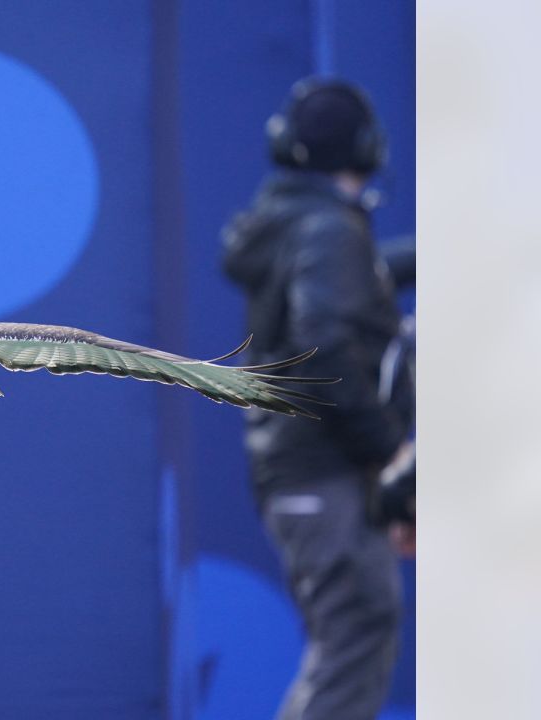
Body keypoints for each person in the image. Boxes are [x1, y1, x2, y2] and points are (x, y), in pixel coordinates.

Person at [221, 78, 413, 720]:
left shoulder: (301, 225)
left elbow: (358, 283)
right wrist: (393, 453)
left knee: (356, 633)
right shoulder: (327, 229)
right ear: (365, 148)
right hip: (322, 471)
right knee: (356, 631)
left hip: (306, 471)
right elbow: (323, 349)